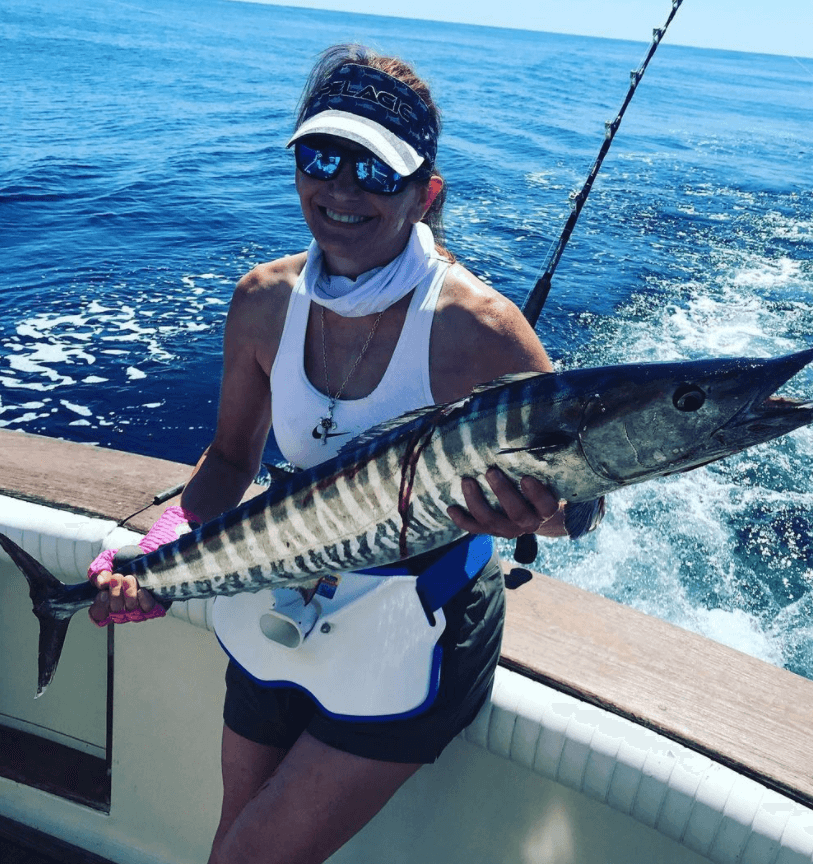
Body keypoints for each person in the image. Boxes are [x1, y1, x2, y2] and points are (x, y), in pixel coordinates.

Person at [88, 44, 581, 864]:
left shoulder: (478, 329)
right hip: (278, 591)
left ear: (425, 192)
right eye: (322, 157)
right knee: (232, 845)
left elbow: (579, 508)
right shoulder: (261, 301)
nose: (342, 189)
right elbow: (228, 460)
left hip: (416, 624)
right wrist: (159, 549)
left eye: (377, 172)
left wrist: (547, 512)